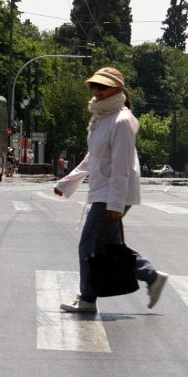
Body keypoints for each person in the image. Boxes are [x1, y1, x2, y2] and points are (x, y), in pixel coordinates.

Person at [54, 67, 168, 313]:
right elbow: (93, 157)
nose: (97, 92)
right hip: (104, 190)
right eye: (94, 86)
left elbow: (122, 166)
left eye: (102, 87)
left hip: (113, 192)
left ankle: (87, 299)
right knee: (110, 245)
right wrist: (67, 182)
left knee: (88, 245)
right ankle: (151, 276)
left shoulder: (122, 120)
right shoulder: (101, 117)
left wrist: (116, 204)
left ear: (117, 89)